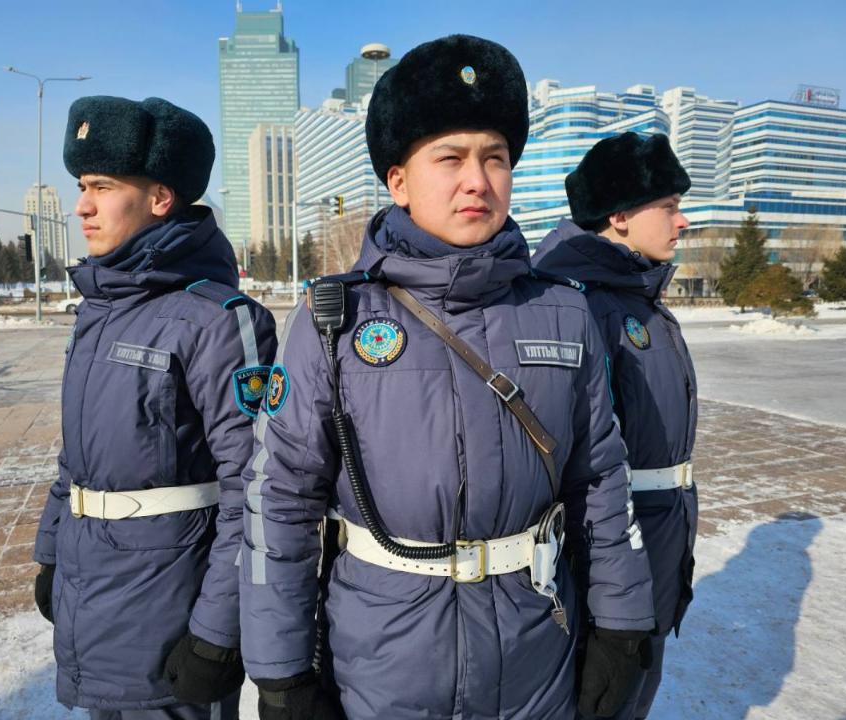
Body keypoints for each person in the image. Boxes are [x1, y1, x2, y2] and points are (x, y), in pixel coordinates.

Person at [239, 35, 655, 720]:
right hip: (382, 663)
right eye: (450, 158)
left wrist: (621, 622)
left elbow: (601, 478)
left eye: (495, 158)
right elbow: (281, 498)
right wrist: (281, 672)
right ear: (398, 181)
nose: (478, 180)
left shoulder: (563, 311)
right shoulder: (334, 319)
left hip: (535, 654)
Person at [32, 95, 277, 720]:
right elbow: (76, 458)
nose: (82, 206)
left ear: (161, 197)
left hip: (173, 615)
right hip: (96, 598)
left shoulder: (217, 320)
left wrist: (217, 632)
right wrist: (51, 553)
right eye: (81, 186)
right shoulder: (99, 310)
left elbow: (255, 488)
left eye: (103, 187)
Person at [532, 132, 698, 720]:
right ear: (620, 216)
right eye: (669, 206)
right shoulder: (579, 304)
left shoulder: (638, 296)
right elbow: (578, 459)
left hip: (659, 538)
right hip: (612, 551)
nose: (682, 221)